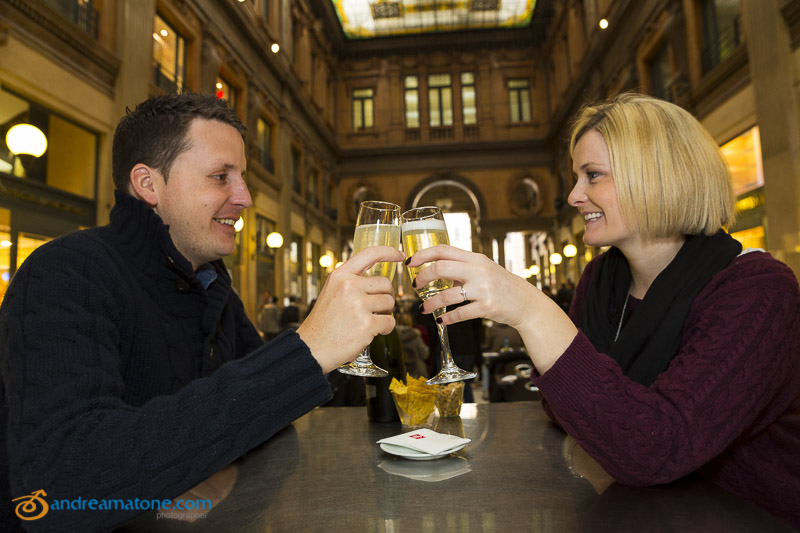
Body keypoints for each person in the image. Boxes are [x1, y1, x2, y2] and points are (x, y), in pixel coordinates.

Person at [0, 93, 404, 531]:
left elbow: (270, 420)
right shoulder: (67, 272)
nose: (244, 198)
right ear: (148, 184)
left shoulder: (215, 289)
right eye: (220, 176)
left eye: (242, 177)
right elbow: (59, 485)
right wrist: (307, 348)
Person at [406, 93, 800, 529]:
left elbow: (657, 450)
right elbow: (566, 410)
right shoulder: (602, 280)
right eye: (577, 177)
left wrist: (533, 311)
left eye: (593, 175)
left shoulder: (759, 291)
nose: (575, 196)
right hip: (634, 515)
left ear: (658, 177)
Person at [396, 311, 429, 379]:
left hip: (400, 371)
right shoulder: (415, 335)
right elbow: (425, 354)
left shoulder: (392, 336)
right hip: (417, 372)